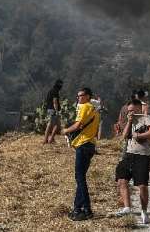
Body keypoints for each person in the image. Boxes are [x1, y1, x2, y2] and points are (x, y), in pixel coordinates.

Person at [114, 99, 150, 225]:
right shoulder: (130, 120)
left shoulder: (147, 118)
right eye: (129, 110)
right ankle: (127, 207)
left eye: (133, 110)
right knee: (122, 179)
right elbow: (124, 136)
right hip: (128, 154)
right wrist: (129, 121)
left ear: (139, 108)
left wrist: (139, 136)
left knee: (142, 185)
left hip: (142, 155)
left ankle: (144, 212)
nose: (130, 112)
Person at [62, 87, 100, 221]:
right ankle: (77, 209)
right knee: (81, 178)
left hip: (83, 145)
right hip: (90, 145)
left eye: (81, 95)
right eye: (77, 96)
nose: (78, 98)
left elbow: (78, 125)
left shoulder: (85, 107)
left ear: (88, 96)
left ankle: (87, 209)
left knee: (80, 178)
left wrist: (66, 130)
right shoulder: (95, 110)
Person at [43, 79, 63, 144]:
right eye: (61, 84)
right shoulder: (55, 91)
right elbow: (55, 102)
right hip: (53, 110)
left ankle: (48, 139)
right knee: (56, 125)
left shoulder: (51, 90)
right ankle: (49, 140)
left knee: (51, 124)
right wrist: (57, 111)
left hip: (49, 109)